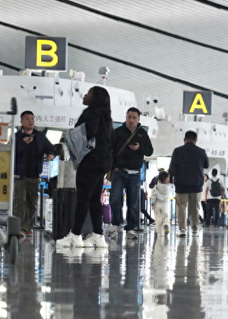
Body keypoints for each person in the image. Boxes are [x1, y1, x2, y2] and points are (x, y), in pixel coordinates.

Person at [56, 86, 113, 248]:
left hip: (91, 160)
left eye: (89, 93)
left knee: (83, 197)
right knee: (94, 198)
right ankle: (98, 234)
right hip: (104, 160)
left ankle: (75, 235)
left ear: (95, 98)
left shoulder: (92, 112)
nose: (85, 95)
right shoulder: (106, 116)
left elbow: (89, 132)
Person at [108, 107, 154, 240]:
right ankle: (115, 223)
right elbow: (110, 150)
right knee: (115, 199)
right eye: (129, 117)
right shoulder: (117, 132)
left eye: (134, 118)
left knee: (133, 202)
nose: (131, 120)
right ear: (126, 117)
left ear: (138, 119)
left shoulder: (142, 134)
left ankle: (130, 228)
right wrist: (113, 167)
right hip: (119, 172)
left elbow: (150, 151)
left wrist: (140, 148)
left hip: (135, 173)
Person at [14, 110, 56, 236]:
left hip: (34, 175)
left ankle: (27, 227)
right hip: (19, 176)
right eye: (27, 119)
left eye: (32, 119)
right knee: (19, 202)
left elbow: (51, 148)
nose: (31, 121)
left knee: (32, 204)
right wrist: (23, 143)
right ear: (21, 121)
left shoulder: (40, 136)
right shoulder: (16, 137)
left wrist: (51, 154)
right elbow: (12, 152)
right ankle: (20, 227)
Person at [168, 130, 209, 237]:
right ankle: (194, 229)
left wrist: (171, 180)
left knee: (181, 207)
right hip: (196, 183)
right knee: (194, 208)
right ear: (196, 140)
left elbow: (172, 167)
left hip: (181, 183)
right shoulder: (201, 151)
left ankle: (182, 230)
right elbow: (206, 165)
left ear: (184, 140)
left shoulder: (177, 151)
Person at [151, 170, 172, 236]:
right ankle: (166, 224)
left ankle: (160, 233)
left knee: (158, 219)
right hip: (165, 203)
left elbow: (153, 195)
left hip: (157, 203)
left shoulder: (156, 186)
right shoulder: (169, 186)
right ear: (166, 179)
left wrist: (153, 203)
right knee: (166, 216)